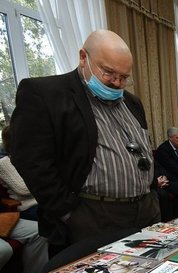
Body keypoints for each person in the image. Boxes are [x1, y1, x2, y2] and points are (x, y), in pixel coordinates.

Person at [10, 29, 159, 256]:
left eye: (124, 77)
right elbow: (30, 160)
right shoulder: (45, 93)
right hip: (93, 216)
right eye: (109, 73)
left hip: (145, 210)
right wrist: (68, 213)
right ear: (83, 57)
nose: (117, 83)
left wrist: (152, 196)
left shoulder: (132, 102)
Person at [0, 125, 38, 221]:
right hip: (30, 208)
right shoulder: (4, 163)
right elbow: (23, 189)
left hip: (49, 203)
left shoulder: (32, 157)